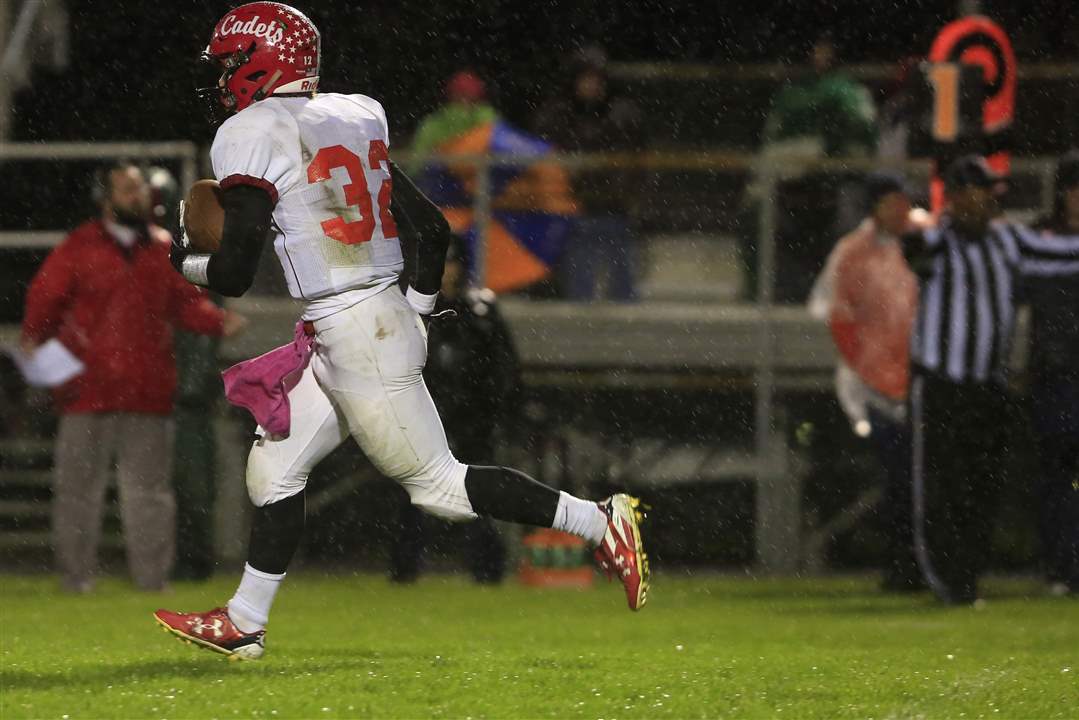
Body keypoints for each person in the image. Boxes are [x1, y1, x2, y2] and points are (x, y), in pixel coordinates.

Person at [156, 3, 650, 661]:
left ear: (259, 63)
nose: (222, 79)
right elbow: (433, 229)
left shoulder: (251, 131)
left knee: (438, 486)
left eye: (230, 65)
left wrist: (182, 260)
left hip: (354, 326)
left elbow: (234, 273)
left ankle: (599, 520)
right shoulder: (354, 116)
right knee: (273, 471)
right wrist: (412, 313)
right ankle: (244, 622)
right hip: (367, 316)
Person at [20, 160, 245, 594]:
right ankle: (75, 580)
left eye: (140, 188)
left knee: (149, 494)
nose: (138, 196)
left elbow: (185, 304)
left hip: (147, 389)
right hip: (87, 389)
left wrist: (218, 321)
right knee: (78, 492)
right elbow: (45, 297)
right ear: (105, 199)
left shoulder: (161, 247)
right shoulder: (80, 246)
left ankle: (152, 580)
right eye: (127, 189)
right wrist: (34, 336)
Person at [902, 155, 1079, 604]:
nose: (985, 201)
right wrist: (925, 227)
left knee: (981, 487)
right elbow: (914, 249)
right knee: (942, 486)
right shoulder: (940, 241)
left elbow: (1064, 254)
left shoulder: (1009, 241)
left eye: (988, 193)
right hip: (942, 382)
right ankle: (946, 578)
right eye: (976, 193)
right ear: (957, 197)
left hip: (988, 385)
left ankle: (967, 574)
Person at [808, 172, 930, 592]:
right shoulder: (854, 252)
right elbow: (839, 317)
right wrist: (866, 368)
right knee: (898, 480)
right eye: (889, 202)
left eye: (902, 201)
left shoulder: (923, 237)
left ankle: (924, 562)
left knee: (923, 479)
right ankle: (902, 564)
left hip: (923, 378)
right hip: (879, 385)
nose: (899, 210)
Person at [390, 234, 517, 584]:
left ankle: (487, 569)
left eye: (452, 262)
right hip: (423, 416)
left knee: (476, 495)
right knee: (414, 495)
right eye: (442, 262)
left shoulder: (479, 312)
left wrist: (489, 410)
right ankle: (404, 568)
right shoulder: (411, 310)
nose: (447, 271)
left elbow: (502, 367)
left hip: (470, 418)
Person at [743, 32, 880, 302]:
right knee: (755, 209)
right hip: (791, 177)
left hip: (840, 176)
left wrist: (830, 150)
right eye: (817, 49)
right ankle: (762, 291)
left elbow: (864, 138)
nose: (821, 56)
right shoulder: (793, 93)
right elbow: (772, 139)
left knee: (850, 220)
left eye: (826, 50)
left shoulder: (849, 91)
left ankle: (847, 295)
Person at [532, 45, 643, 301]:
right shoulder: (557, 114)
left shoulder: (622, 114)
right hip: (571, 212)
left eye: (597, 79)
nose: (592, 85)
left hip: (614, 210)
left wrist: (625, 193)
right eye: (586, 78)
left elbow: (635, 161)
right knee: (579, 287)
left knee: (621, 287)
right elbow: (541, 155)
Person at [1027, 150, 1079, 596]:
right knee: (1056, 471)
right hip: (1056, 371)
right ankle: (1061, 564)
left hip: (1059, 368)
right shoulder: (1038, 237)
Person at [407, 70, 500, 176]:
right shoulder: (490, 121)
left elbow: (415, 166)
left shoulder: (431, 124)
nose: (464, 100)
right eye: (462, 94)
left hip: (438, 181)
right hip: (479, 181)